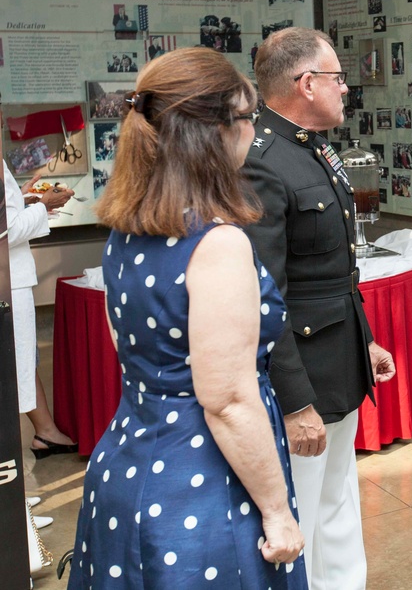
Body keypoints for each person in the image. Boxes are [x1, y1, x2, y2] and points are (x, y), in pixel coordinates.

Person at [68, 47, 307, 588]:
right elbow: (226, 400)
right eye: (248, 117)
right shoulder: (218, 244)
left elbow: (134, 354)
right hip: (202, 485)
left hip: (127, 464)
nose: (254, 131)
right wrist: (276, 510)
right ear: (215, 132)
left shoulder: (125, 232)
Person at [243, 27, 395, 590]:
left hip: (337, 358)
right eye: (336, 78)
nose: (345, 89)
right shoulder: (263, 161)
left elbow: (335, 270)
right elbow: (265, 294)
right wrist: (294, 400)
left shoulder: (314, 148)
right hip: (302, 376)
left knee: (338, 502)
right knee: (303, 513)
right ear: (307, 84)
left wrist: (367, 341)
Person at [3, 120, 77, 461]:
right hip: (8, 280)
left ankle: (46, 433)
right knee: (15, 362)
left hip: (11, 278)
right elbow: (8, 230)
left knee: (22, 358)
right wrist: (41, 205)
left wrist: (23, 199)